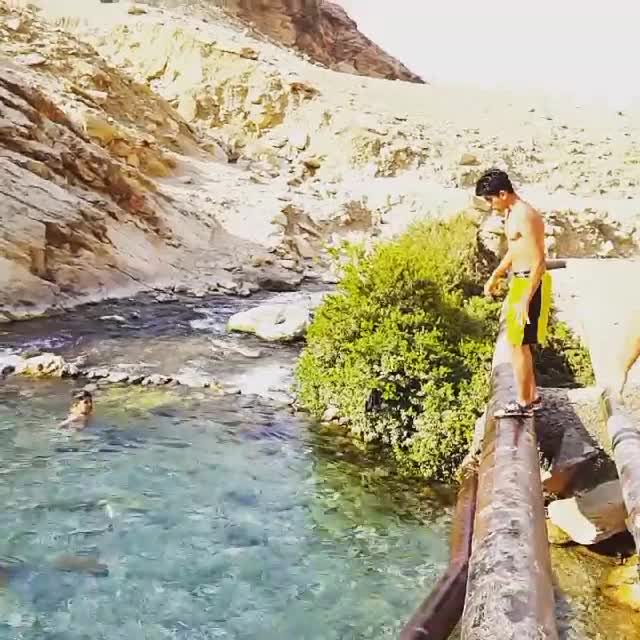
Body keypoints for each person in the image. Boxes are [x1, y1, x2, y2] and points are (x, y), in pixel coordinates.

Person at [475, 168, 551, 417]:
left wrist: (526, 298)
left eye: (491, 199)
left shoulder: (526, 215)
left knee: (518, 344)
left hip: (530, 281)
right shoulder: (511, 213)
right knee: (518, 343)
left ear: (503, 193)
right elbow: (515, 249)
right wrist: (496, 274)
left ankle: (523, 403)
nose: (490, 205)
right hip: (519, 281)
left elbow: (539, 260)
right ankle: (532, 397)